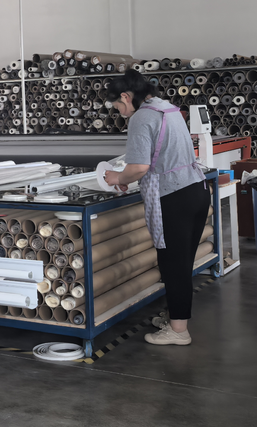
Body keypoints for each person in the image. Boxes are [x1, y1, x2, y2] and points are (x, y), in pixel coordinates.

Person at [102, 70, 209, 346]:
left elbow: (139, 166)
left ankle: (179, 331)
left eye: (117, 105)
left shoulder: (141, 117)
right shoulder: (167, 108)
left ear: (126, 96)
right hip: (196, 190)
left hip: (173, 197)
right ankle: (176, 318)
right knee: (183, 262)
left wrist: (118, 178)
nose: (119, 112)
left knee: (173, 264)